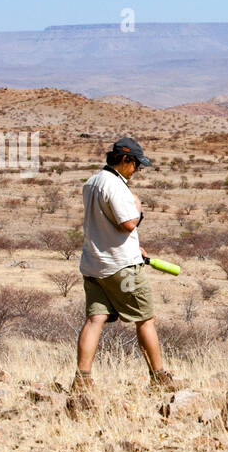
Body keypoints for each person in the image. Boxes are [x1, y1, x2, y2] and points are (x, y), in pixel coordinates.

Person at [73, 138, 177, 392]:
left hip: (94, 265)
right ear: (124, 160)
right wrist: (138, 208)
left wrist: (132, 246)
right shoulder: (117, 187)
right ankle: (159, 378)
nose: (137, 171)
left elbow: (105, 225)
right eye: (136, 165)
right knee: (145, 319)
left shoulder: (92, 182)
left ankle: (82, 380)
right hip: (122, 267)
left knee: (95, 318)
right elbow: (127, 223)